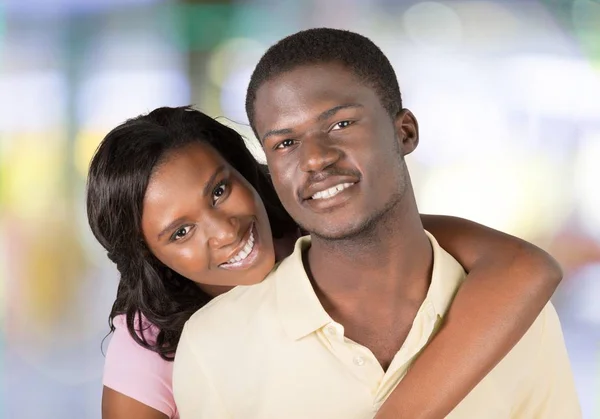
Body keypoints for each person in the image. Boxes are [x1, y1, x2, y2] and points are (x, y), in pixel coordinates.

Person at [172, 29, 581, 419]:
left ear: (404, 132)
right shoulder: (214, 344)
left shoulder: (520, 315)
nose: (315, 159)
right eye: (285, 143)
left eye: (340, 124)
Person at [91, 107, 561, 419]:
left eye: (218, 191)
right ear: (149, 254)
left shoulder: (338, 232)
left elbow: (527, 268)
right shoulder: (150, 343)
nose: (225, 231)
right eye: (180, 232)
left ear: (246, 171)